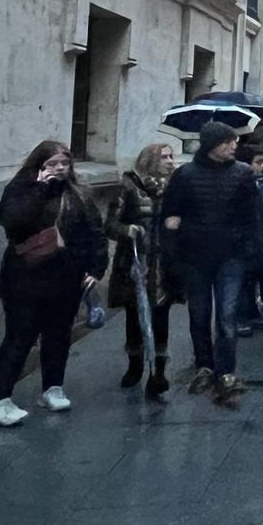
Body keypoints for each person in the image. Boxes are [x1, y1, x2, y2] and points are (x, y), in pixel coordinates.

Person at [0, 141, 107, 426]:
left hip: (66, 279)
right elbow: (13, 222)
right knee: (19, 337)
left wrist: (96, 267)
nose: (60, 169)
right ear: (38, 165)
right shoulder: (20, 189)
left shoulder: (78, 194)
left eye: (64, 163)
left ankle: (53, 388)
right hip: (25, 279)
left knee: (58, 336)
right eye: (52, 164)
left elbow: (94, 232)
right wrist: (40, 189)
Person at [161, 121, 258, 408]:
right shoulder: (185, 175)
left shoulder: (242, 174)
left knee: (227, 316)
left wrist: (246, 246)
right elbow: (171, 213)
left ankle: (226, 371)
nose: (233, 146)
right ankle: (204, 364)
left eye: (234, 142)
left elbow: (251, 216)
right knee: (199, 314)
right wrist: (173, 245)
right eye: (228, 142)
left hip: (230, 255)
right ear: (212, 145)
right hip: (195, 256)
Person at [108, 142, 181, 399]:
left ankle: (158, 372)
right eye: (165, 157)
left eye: (172, 156)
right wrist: (127, 230)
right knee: (135, 315)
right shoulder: (128, 186)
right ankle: (135, 365)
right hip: (135, 263)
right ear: (151, 160)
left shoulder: (176, 187)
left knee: (161, 315)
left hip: (164, 263)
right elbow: (111, 224)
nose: (171, 161)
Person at [234, 144, 263, 339]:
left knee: (252, 278)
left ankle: (251, 312)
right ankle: (239, 318)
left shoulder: (261, 181)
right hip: (243, 238)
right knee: (242, 280)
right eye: (258, 162)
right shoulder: (240, 183)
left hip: (257, 237)